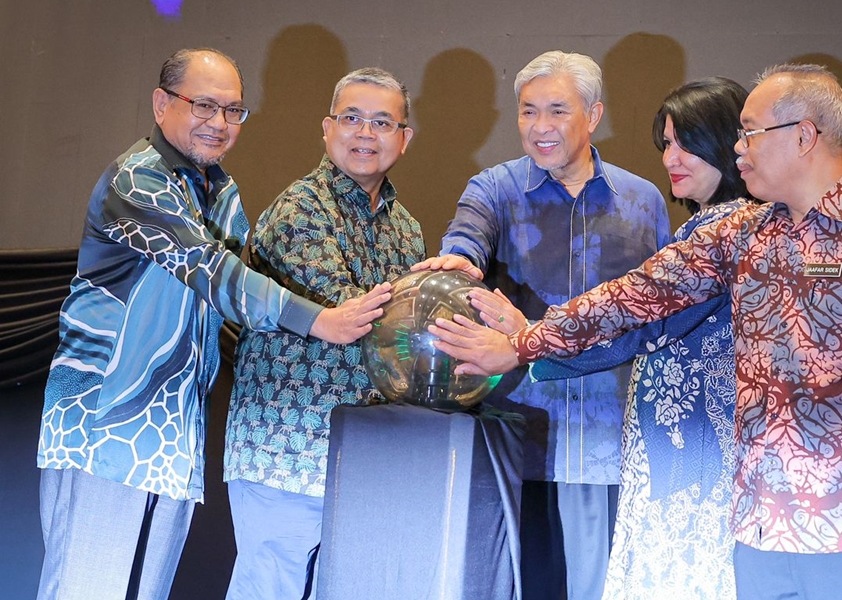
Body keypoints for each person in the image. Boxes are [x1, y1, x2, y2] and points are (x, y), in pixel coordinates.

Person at [429, 63, 842, 600]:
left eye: (749, 133)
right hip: (759, 528)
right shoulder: (742, 234)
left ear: (804, 136)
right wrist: (523, 343)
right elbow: (634, 298)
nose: (739, 149)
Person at [36, 49, 391, 600]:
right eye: (203, 105)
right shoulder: (138, 178)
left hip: (172, 433)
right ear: (161, 104)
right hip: (103, 425)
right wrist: (321, 320)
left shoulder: (219, 189)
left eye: (232, 110)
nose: (219, 123)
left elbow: (238, 300)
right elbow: (210, 271)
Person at [412, 50, 671, 600]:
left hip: (608, 445)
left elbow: (659, 314)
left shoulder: (642, 201)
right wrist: (460, 259)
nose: (539, 127)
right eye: (528, 111)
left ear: (593, 115)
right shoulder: (495, 188)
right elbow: (466, 236)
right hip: (517, 437)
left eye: (557, 110)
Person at [508, 77, 751, 600]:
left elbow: (636, 317)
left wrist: (524, 343)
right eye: (667, 143)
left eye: (687, 144)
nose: (671, 158)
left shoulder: (726, 228)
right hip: (684, 442)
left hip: (694, 446)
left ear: (729, 144)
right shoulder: (723, 225)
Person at [222, 67, 423, 600]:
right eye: (351, 118)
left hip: (364, 456)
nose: (365, 133)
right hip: (284, 448)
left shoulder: (407, 228)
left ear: (404, 138)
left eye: (382, 122)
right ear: (327, 128)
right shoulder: (301, 207)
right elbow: (350, 310)